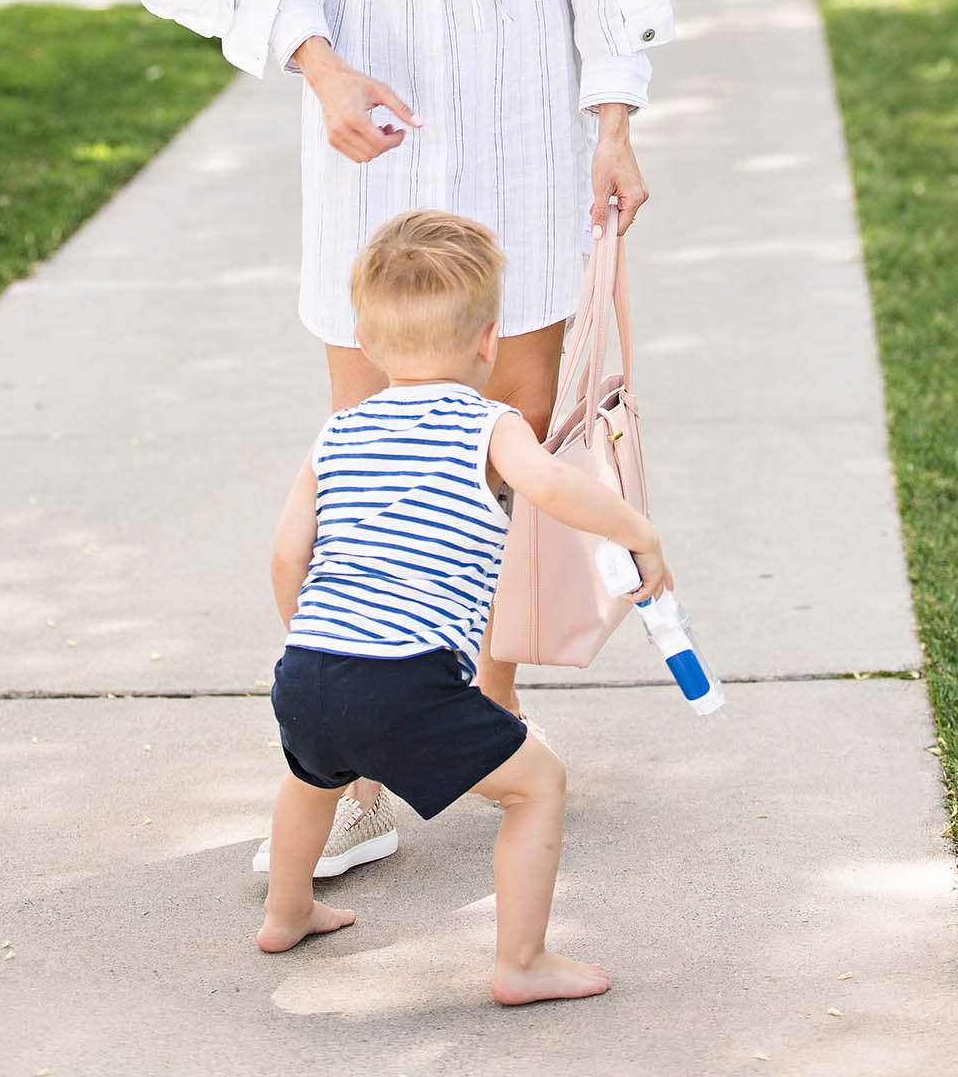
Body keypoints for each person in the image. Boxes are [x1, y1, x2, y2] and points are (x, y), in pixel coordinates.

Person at [135, 0, 733, 872]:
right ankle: (341, 766)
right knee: (373, 444)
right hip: (370, 95)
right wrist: (317, 64)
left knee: (507, 433)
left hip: (526, 67)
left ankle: (479, 726)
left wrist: (613, 112)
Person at [258, 209, 669, 1005]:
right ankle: (521, 963)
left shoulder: (337, 433)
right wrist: (640, 531)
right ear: (490, 343)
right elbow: (550, 487)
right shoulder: (489, 424)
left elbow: (286, 554)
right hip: (408, 680)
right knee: (536, 784)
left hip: (309, 666)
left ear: (366, 344)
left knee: (310, 778)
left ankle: (286, 910)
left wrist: (310, 639)